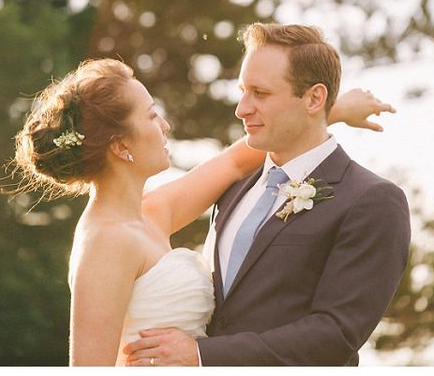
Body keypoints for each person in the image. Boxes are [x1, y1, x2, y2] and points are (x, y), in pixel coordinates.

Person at [12, 32, 395, 366]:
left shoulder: (150, 214)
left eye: (258, 93)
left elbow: (232, 161)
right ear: (121, 145)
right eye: (151, 116)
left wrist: (327, 110)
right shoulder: (106, 239)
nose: (164, 125)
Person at [124, 23, 411, 366]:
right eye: (243, 91)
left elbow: (335, 334)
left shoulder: (372, 200)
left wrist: (201, 355)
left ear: (314, 98)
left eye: (260, 93)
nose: (241, 109)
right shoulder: (233, 186)